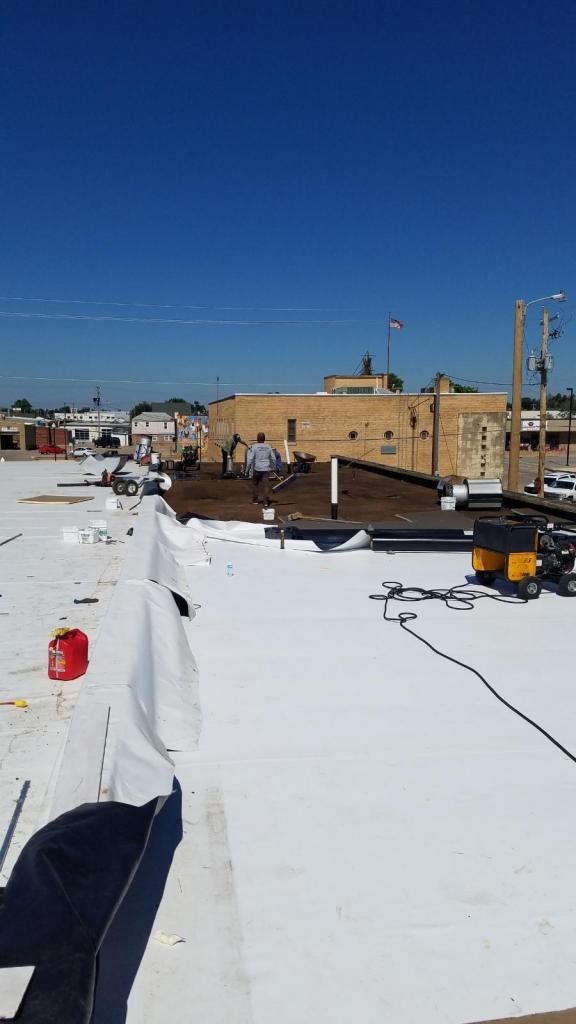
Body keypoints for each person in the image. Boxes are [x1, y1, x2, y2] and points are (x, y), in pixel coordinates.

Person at [246, 432, 277, 504]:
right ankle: (265, 501)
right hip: (266, 469)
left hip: (257, 468)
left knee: (255, 483)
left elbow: (250, 459)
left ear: (257, 439)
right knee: (266, 485)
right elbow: (273, 458)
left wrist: (247, 469)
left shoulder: (254, 446)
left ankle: (255, 499)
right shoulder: (268, 446)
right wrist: (273, 467)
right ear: (264, 439)